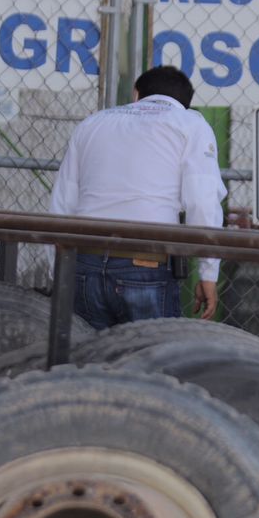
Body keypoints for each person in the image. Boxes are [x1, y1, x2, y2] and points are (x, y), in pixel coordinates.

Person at [50, 65, 226, 330]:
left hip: (84, 261)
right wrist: (208, 272)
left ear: (136, 93)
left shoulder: (93, 123)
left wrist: (58, 273)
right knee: (151, 351)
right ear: (185, 103)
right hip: (146, 262)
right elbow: (202, 202)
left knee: (87, 352)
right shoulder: (190, 124)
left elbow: (62, 202)